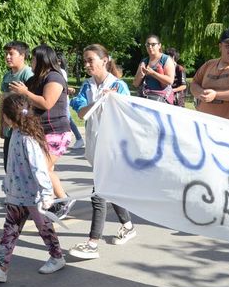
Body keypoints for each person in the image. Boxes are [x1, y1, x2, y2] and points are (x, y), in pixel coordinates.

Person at [0, 94, 64, 283]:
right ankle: (0, 268)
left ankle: (57, 257)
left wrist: (47, 192)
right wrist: (7, 183)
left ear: (10, 117)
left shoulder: (28, 139)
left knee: (44, 228)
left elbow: (38, 168)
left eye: (3, 116)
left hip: (33, 196)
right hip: (16, 195)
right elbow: (13, 165)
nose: (3, 119)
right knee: (10, 231)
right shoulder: (16, 134)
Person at [68, 44, 137, 259]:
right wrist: (99, 100)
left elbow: (129, 116)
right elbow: (81, 112)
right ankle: (128, 226)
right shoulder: (86, 87)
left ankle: (92, 243)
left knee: (99, 193)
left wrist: (113, 100)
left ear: (105, 60)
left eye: (91, 60)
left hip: (114, 149)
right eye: (85, 61)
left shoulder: (118, 86)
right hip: (95, 146)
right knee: (110, 189)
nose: (87, 64)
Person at [9, 44, 75, 219]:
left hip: (57, 132)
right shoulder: (36, 79)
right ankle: (52, 201)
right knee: (45, 168)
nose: (31, 61)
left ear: (42, 59)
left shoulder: (54, 78)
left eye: (33, 58)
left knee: (42, 169)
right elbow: (25, 101)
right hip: (39, 132)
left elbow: (46, 103)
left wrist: (25, 92)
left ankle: (62, 199)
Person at [0, 41, 34, 171]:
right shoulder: (7, 76)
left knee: (23, 166)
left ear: (22, 55)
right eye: (6, 54)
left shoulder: (28, 74)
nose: (7, 57)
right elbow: (4, 100)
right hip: (9, 126)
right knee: (8, 165)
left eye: (11, 54)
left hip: (23, 127)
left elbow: (32, 101)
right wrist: (2, 124)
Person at [133, 35, 175, 103]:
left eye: (153, 44)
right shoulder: (144, 61)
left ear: (159, 45)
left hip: (161, 99)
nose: (150, 47)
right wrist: (141, 74)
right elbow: (135, 84)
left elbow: (170, 81)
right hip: (145, 97)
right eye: (147, 44)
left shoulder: (166, 59)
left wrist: (153, 73)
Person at [57, 53, 84, 149]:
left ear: (60, 62)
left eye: (58, 60)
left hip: (63, 99)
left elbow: (63, 86)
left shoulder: (61, 72)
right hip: (59, 99)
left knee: (67, 119)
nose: (56, 62)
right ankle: (78, 138)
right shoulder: (56, 71)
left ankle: (78, 138)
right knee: (67, 119)